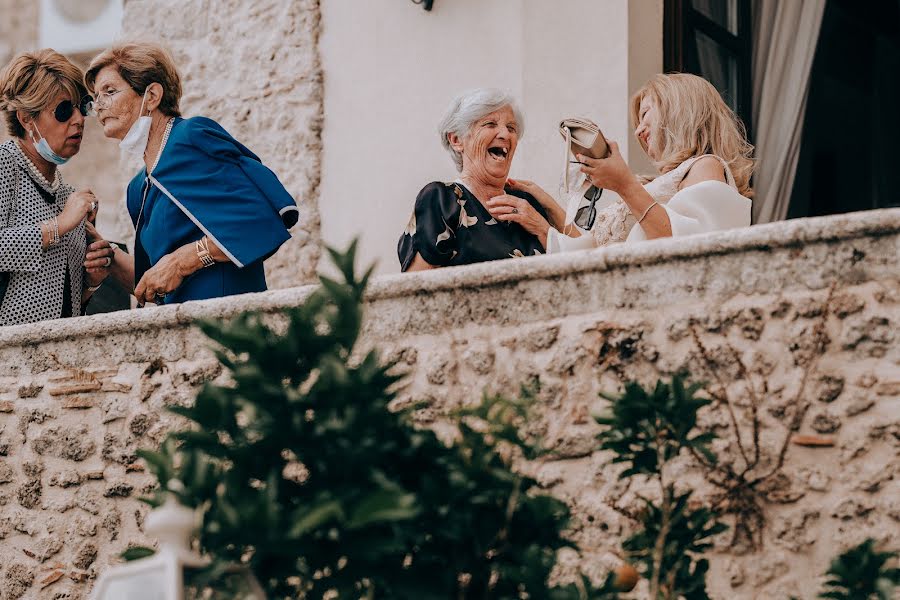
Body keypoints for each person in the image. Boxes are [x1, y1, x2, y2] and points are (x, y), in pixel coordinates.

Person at [84, 42, 299, 306]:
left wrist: (184, 260)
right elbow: (153, 286)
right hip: (179, 335)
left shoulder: (190, 136)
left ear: (151, 96)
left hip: (229, 323)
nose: (99, 106)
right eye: (96, 97)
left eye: (109, 91)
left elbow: (261, 221)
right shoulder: (137, 188)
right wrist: (109, 256)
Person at [516, 73, 754, 253]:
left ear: (680, 109)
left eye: (645, 114)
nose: (638, 130)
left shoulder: (706, 166)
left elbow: (689, 247)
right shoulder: (655, 184)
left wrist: (624, 185)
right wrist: (545, 209)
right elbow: (593, 252)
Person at [0, 49, 114, 326]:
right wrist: (58, 226)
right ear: (27, 119)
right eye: (64, 110)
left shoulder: (67, 195)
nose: (78, 119)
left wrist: (91, 281)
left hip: (59, 355)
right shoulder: (5, 164)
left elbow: (65, 302)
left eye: (82, 107)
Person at [398, 88, 553, 272]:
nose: (505, 134)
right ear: (456, 140)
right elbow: (415, 288)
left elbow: (584, 267)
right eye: (490, 124)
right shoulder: (442, 200)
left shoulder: (527, 204)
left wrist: (546, 218)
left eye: (511, 128)